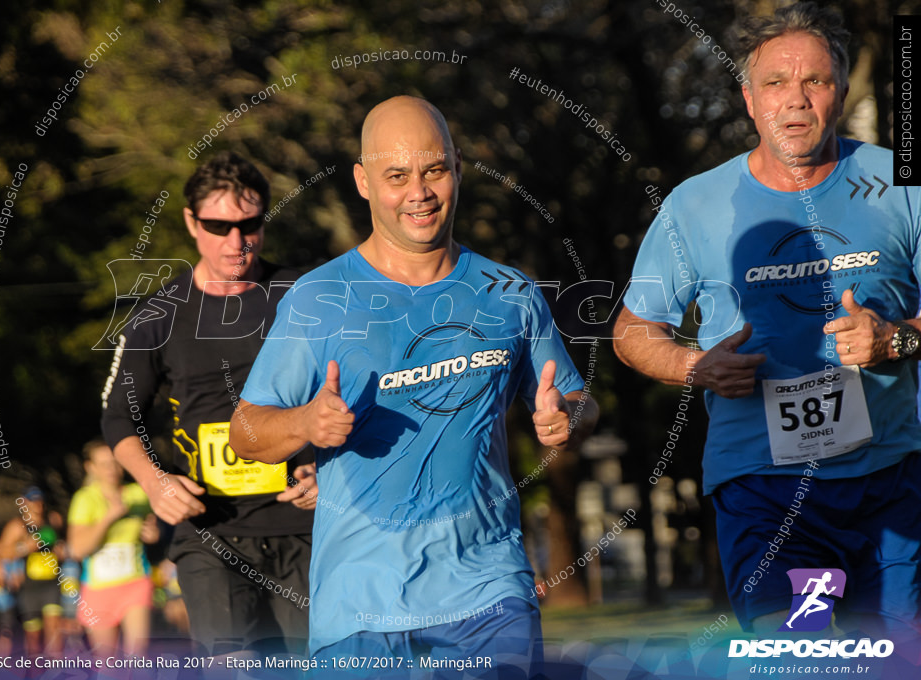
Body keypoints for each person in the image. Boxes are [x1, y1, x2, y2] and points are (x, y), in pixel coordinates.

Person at [232, 96, 599, 676]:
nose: (419, 193)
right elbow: (245, 431)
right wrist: (304, 423)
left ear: (457, 167)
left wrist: (568, 419)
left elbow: (577, 402)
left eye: (434, 170)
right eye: (396, 175)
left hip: (488, 586)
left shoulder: (512, 293)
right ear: (362, 181)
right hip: (360, 602)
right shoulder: (318, 298)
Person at [613, 1, 921, 656]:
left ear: (838, 89)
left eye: (814, 81)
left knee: (895, 661)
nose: (796, 100)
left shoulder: (902, 186)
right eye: (775, 83)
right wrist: (693, 367)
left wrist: (895, 339)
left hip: (890, 483)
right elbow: (632, 332)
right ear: (748, 100)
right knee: (799, 657)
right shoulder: (695, 205)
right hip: (765, 488)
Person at [101, 151, 317, 657]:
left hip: (304, 530)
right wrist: (155, 482)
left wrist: (325, 470)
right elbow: (118, 418)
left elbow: (354, 393)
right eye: (219, 226)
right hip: (211, 534)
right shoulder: (158, 316)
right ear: (190, 222)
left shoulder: (303, 297)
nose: (236, 242)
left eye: (249, 225)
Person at [67, 439, 158, 658]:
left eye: (115, 462)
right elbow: (77, 549)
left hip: (135, 583)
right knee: (108, 665)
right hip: (99, 591)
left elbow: (154, 529)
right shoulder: (85, 499)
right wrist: (109, 517)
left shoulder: (138, 494)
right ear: (91, 467)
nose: (112, 469)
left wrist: (154, 534)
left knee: (139, 657)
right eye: (104, 464)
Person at [0, 486, 65, 659]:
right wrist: (24, 547)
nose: (37, 505)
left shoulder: (53, 519)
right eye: (32, 501)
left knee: (55, 628)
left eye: (40, 501)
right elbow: (2, 552)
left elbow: (63, 542)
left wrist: (61, 551)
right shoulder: (17, 526)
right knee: (33, 638)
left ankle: (55, 670)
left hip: (52, 583)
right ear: (24, 503)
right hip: (29, 588)